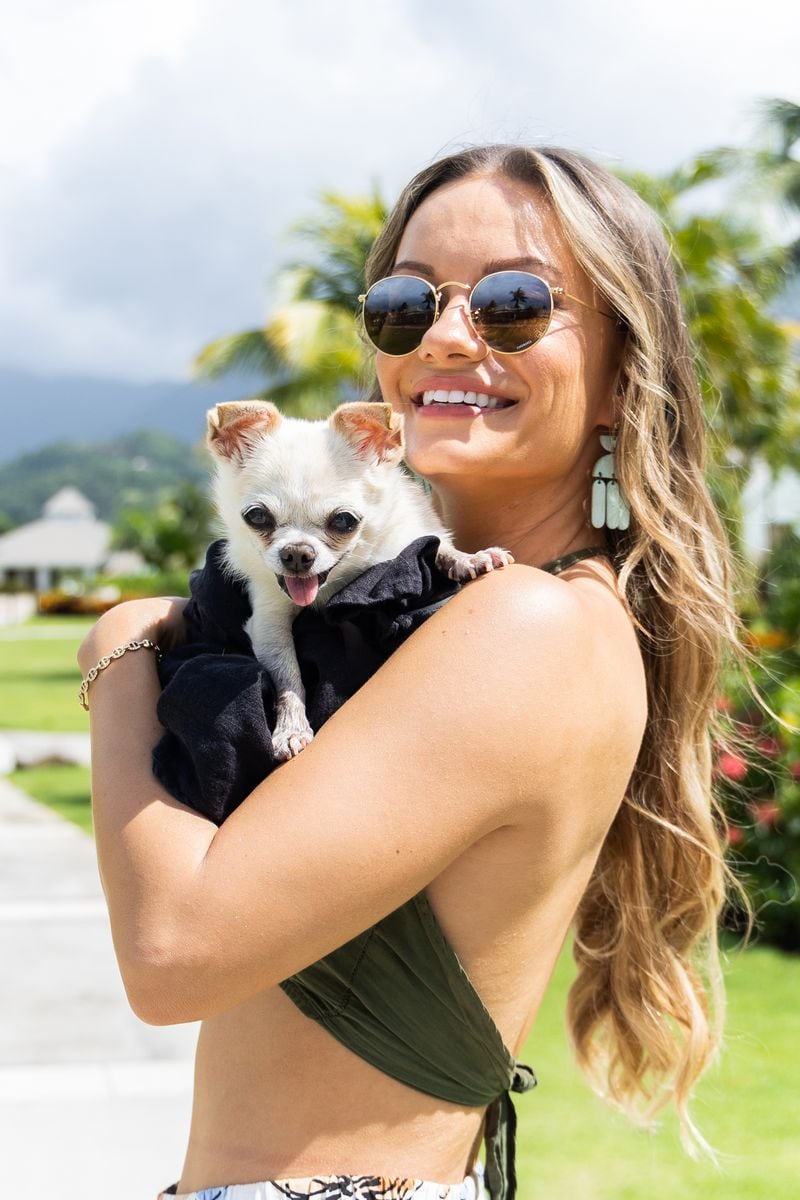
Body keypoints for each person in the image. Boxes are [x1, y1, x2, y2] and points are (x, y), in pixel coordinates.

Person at [78, 145, 743, 1200]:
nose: (443, 335)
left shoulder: (524, 625)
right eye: (401, 304)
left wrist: (117, 651)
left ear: (624, 371)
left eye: (513, 304)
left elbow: (172, 953)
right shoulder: (476, 611)